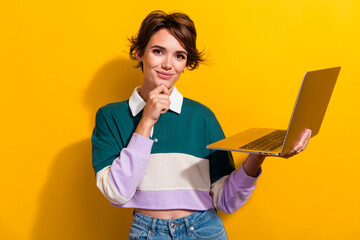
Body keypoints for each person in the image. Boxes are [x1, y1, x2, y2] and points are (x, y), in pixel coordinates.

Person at [91, 10, 312, 240]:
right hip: (147, 232)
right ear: (139, 53)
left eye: (179, 56)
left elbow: (224, 200)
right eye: (158, 51)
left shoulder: (202, 117)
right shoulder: (111, 117)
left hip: (204, 229)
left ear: (186, 64)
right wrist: (146, 121)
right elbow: (116, 193)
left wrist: (257, 156)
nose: (168, 64)